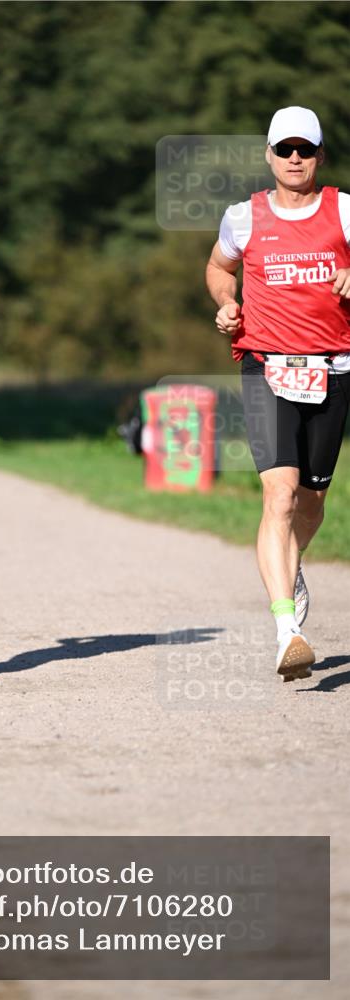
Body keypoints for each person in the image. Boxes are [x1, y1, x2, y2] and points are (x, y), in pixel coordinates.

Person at [206, 106, 350, 681]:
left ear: (319, 156)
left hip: (333, 369)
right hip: (266, 367)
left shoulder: (344, 210)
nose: (294, 158)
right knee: (281, 496)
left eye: (305, 149)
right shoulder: (243, 217)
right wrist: (226, 301)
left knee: (311, 502)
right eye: (284, 149)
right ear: (268, 155)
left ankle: (292, 565)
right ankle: (287, 629)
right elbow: (219, 268)